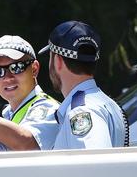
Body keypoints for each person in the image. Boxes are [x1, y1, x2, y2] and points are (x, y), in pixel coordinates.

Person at [37, 20, 128, 148]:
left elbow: (92, 165)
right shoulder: (104, 103)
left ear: (58, 61)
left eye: (50, 57)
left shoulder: (81, 111)